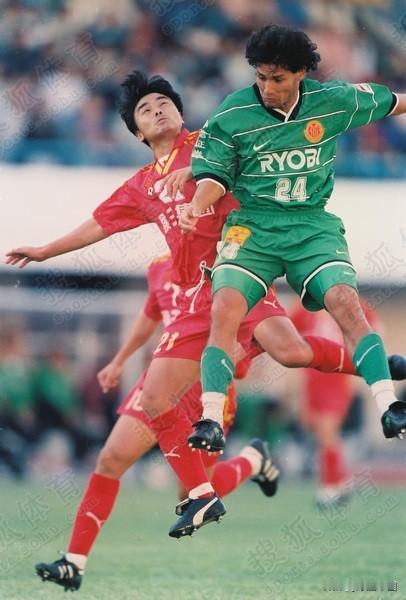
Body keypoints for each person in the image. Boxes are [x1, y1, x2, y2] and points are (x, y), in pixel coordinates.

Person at [6, 70, 406, 543]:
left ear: (180, 112)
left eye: (164, 102)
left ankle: (374, 369)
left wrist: (202, 183)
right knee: (280, 355)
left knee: (288, 353)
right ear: (137, 133)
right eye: (145, 109)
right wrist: (46, 251)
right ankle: (202, 492)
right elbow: (98, 225)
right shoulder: (141, 187)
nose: (157, 109)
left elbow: (251, 156)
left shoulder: (211, 139)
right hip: (199, 294)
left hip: (241, 273)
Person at [179, 24, 406, 452]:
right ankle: (210, 420)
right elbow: (212, 176)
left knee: (345, 303)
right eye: (261, 77)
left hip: (311, 226)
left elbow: (394, 102)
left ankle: (389, 406)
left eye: (278, 78)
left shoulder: (333, 102)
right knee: (224, 308)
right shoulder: (231, 114)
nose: (267, 88)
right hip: (253, 227)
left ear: (302, 73)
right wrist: (195, 205)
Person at [35, 255, 279, 592]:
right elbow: (149, 317)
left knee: (190, 490)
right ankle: (73, 562)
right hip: (159, 382)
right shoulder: (159, 267)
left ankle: (252, 461)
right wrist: (119, 361)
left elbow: (263, 323)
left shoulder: (227, 260)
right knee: (110, 460)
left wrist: (245, 354)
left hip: (205, 390)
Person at [291, 298, 380, 509]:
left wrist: (362, 364)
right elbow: (286, 333)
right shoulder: (304, 306)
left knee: (327, 432)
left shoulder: (350, 301)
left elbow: (374, 331)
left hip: (336, 379)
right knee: (321, 435)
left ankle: (330, 485)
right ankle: (341, 481)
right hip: (312, 380)